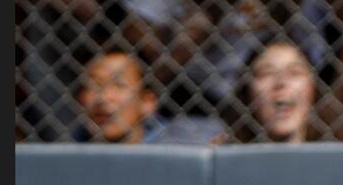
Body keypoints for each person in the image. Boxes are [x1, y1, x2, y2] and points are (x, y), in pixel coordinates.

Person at [72, 49, 229, 144]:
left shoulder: (186, 141)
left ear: (147, 102)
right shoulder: (67, 151)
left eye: (119, 85)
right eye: (93, 86)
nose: (103, 98)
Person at [227, 40, 322, 142]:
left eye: (294, 72)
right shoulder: (220, 153)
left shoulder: (336, 153)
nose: (281, 82)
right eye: (267, 73)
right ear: (247, 91)